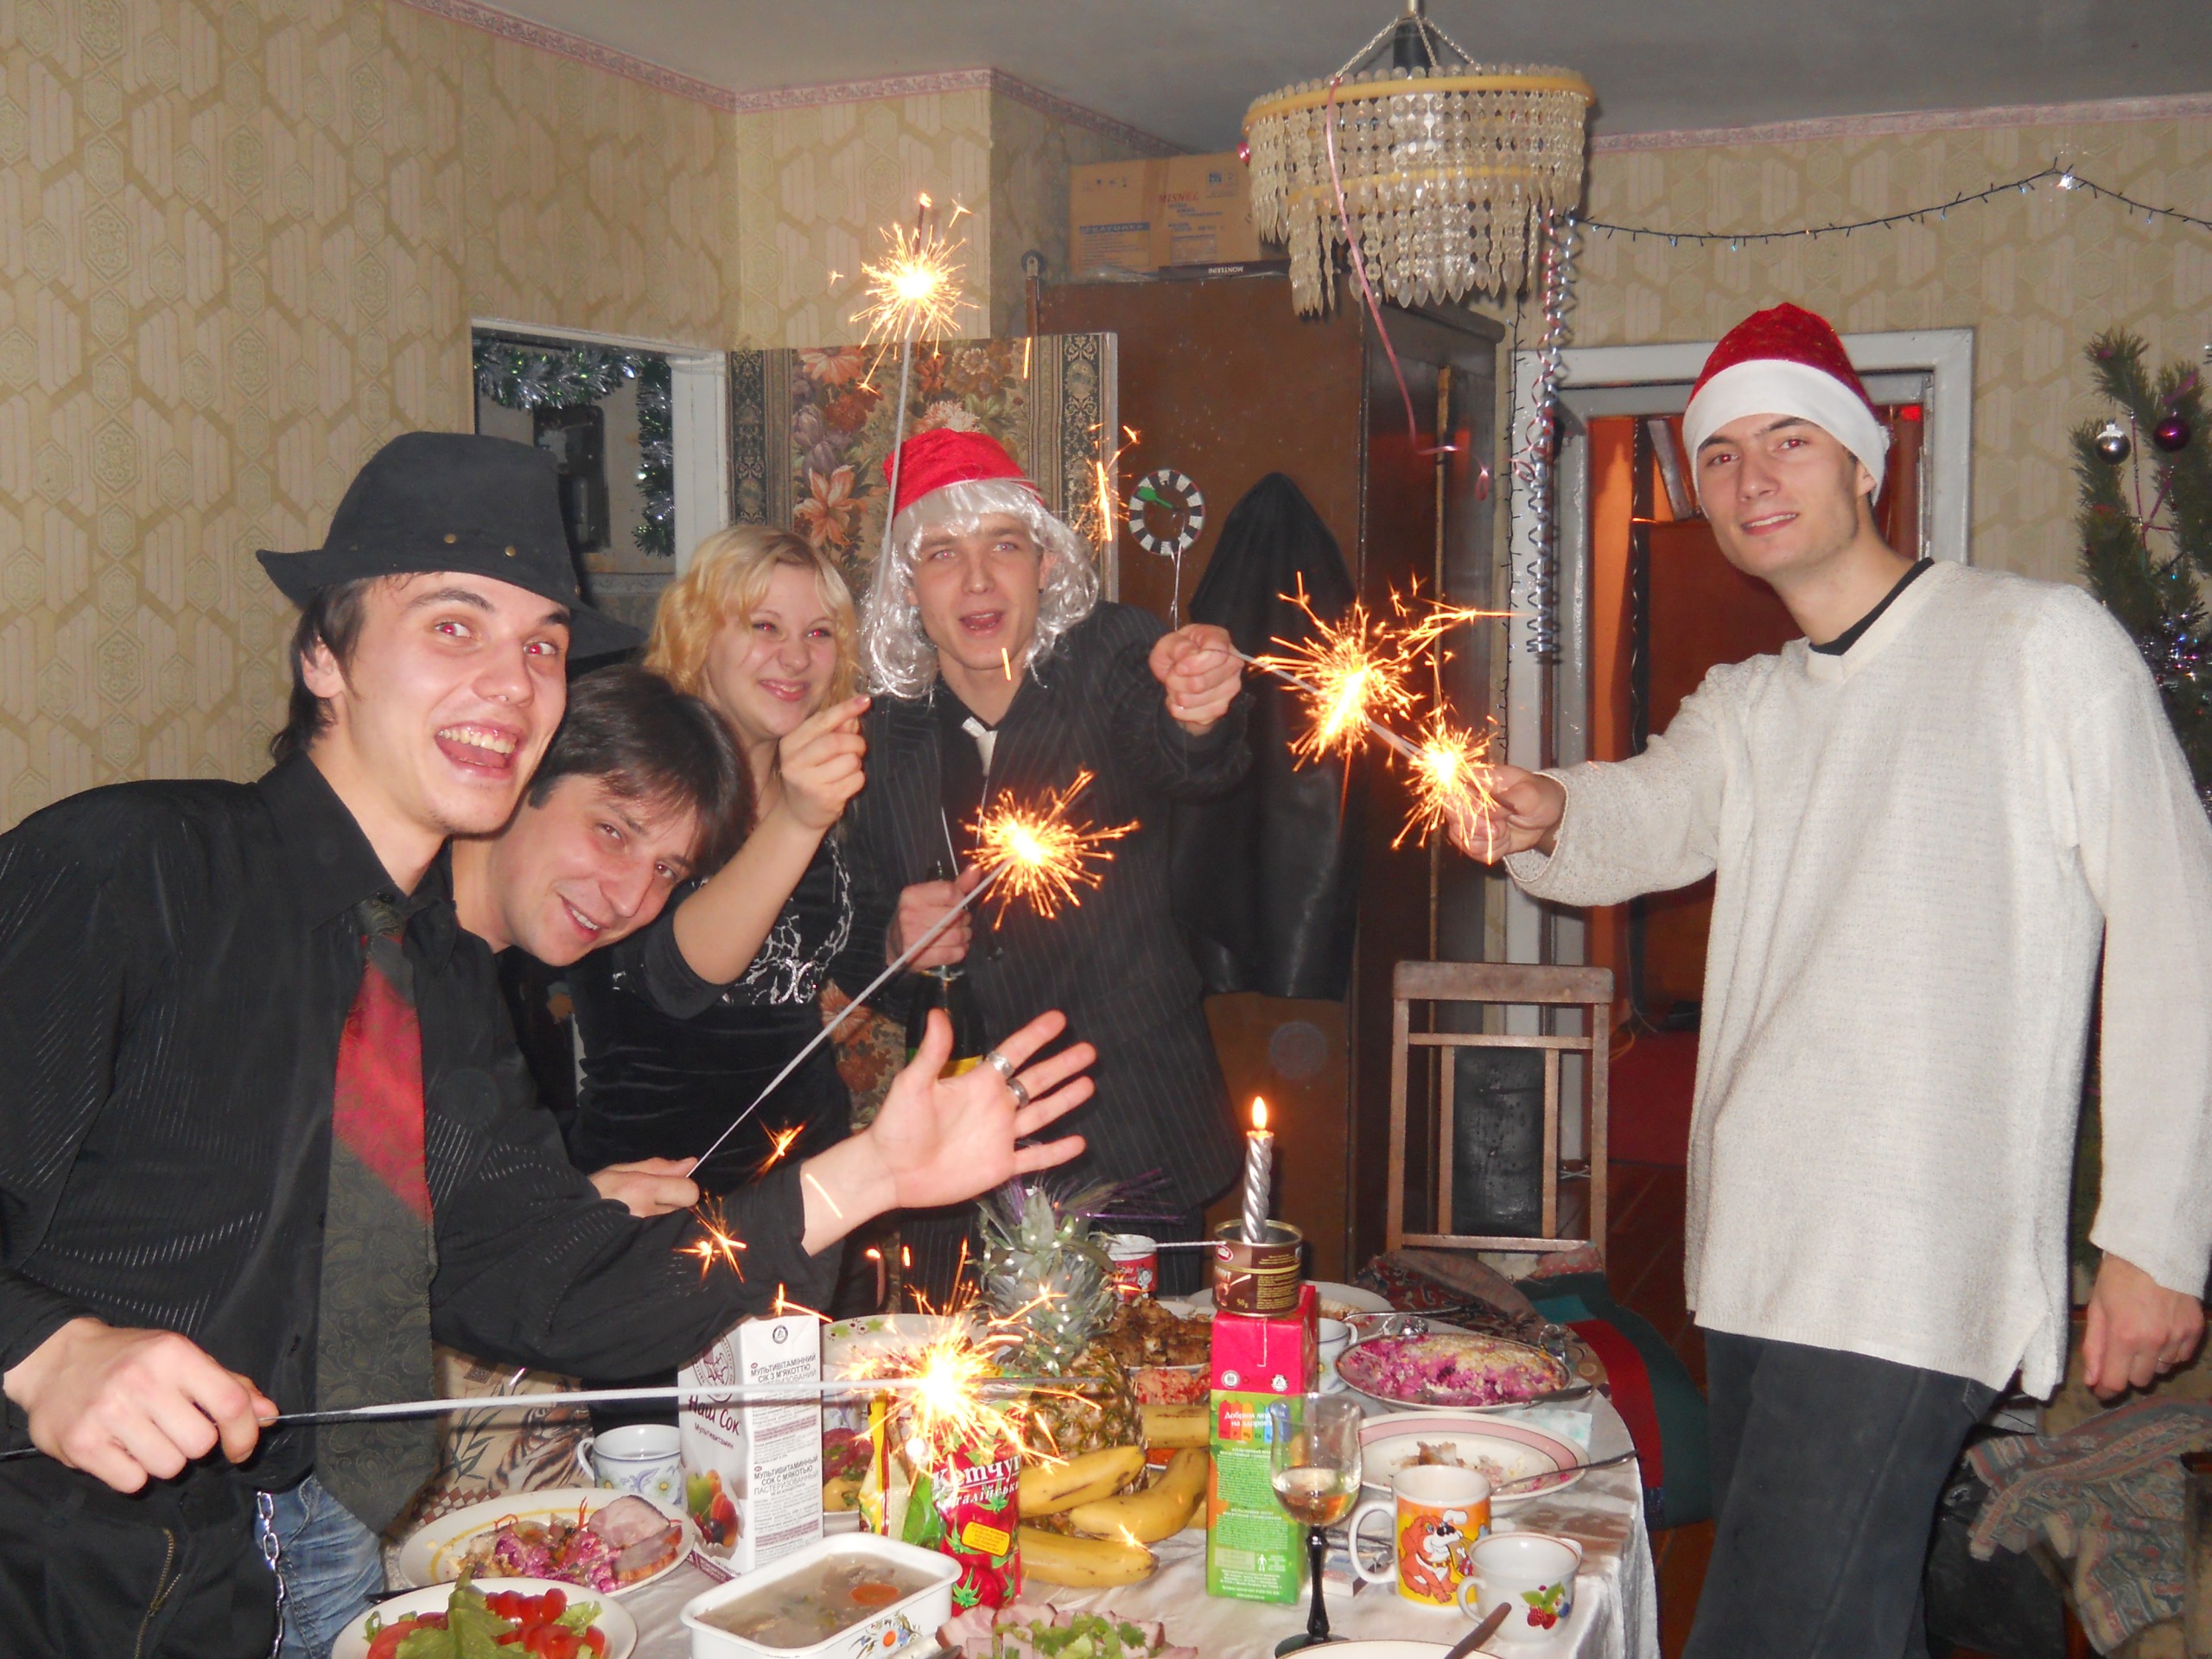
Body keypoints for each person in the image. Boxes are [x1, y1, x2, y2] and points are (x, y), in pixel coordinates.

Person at [0, 431, 1096, 1659]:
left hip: (249, 1578)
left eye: (542, 648)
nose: (513, 685)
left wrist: (873, 1174)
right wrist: (45, 1351)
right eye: (452, 627)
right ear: (324, 655)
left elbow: (564, 1295)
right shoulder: (132, 870)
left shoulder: (444, 990)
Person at [1452, 303, 2212, 1657]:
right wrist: (1546, 808)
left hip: (1914, 1258)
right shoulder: (1750, 703)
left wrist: (2153, 1238)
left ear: (1867, 459)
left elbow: (2178, 923)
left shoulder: (2040, 646)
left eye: (1789, 440)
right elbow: (1649, 810)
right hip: (1758, 1254)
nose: (1752, 478)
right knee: (1848, 1619)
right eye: (1722, 452)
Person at [846, 426, 1252, 1298]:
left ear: (1044, 566)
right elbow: (849, 934)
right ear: (907, 588)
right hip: (956, 1167)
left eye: (1004, 546)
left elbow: (1188, 758)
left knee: (1147, 1374)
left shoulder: (1110, 658)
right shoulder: (882, 733)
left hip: (1132, 1132)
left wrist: (1196, 710)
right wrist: (892, 942)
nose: (978, 580)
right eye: (943, 554)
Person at [560, 527, 942, 1198]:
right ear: (700, 634)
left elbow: (829, 977)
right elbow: (674, 980)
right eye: (765, 626)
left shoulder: (829, 791)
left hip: (813, 1186)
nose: (795, 657)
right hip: (658, 1193)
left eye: (819, 633)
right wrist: (797, 818)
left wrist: (901, 944)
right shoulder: (638, 777)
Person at [449, 658, 754, 1221]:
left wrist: (577, 1215)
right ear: (525, 777)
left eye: (665, 870)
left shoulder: (472, 996)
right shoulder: (373, 964)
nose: (631, 899)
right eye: (612, 831)